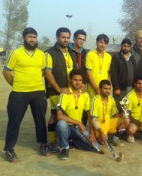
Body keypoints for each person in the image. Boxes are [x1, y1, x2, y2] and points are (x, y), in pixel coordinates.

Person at [2, 27, 50, 162]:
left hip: (38, 92)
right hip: (19, 93)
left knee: (40, 119)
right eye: (29, 37)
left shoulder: (41, 54)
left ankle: (42, 144)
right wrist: (16, 84)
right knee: (14, 121)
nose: (32, 40)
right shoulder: (16, 53)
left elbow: (42, 71)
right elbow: (6, 72)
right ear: (24, 38)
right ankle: (9, 149)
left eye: (34, 37)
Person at [44, 27, 77, 153]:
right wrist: (58, 88)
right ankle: (52, 142)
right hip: (55, 91)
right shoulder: (49, 53)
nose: (66, 40)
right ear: (57, 38)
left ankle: (63, 138)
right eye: (63, 37)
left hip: (68, 91)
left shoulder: (71, 53)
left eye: (68, 37)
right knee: (54, 115)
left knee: (66, 115)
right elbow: (47, 73)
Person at [56, 68, 99, 160]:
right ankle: (64, 147)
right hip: (67, 127)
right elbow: (59, 116)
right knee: (61, 124)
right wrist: (79, 123)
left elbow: (90, 115)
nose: (78, 82)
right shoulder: (64, 95)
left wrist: (92, 133)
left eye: (80, 80)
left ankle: (74, 141)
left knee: (95, 147)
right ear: (70, 80)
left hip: (77, 128)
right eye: (75, 80)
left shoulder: (85, 95)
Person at [90, 80, 130, 147]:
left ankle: (115, 138)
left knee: (126, 120)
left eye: (109, 89)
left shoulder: (111, 99)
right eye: (105, 88)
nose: (108, 91)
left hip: (109, 122)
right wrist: (101, 132)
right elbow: (93, 120)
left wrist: (123, 114)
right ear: (100, 89)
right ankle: (103, 136)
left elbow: (115, 115)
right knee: (102, 141)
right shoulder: (95, 100)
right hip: (99, 125)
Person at [111, 38, 137, 112]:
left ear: (130, 47)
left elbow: (135, 72)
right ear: (121, 46)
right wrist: (116, 88)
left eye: (128, 46)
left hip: (130, 88)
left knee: (128, 109)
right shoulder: (116, 57)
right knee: (119, 109)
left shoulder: (132, 57)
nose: (126, 48)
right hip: (120, 89)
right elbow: (113, 73)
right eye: (124, 46)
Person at [69, 29, 89, 125]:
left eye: (83, 39)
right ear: (74, 39)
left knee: (83, 107)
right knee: (70, 107)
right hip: (70, 83)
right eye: (79, 39)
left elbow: (85, 69)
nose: (81, 41)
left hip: (81, 83)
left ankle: (82, 130)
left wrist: (84, 83)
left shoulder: (84, 52)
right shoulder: (68, 50)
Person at [86, 34, 112, 99]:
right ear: (96, 42)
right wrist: (95, 88)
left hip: (105, 89)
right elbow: (89, 73)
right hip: (93, 88)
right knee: (93, 107)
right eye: (101, 42)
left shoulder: (108, 57)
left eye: (105, 43)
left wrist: (107, 88)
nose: (102, 45)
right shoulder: (90, 55)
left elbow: (109, 73)